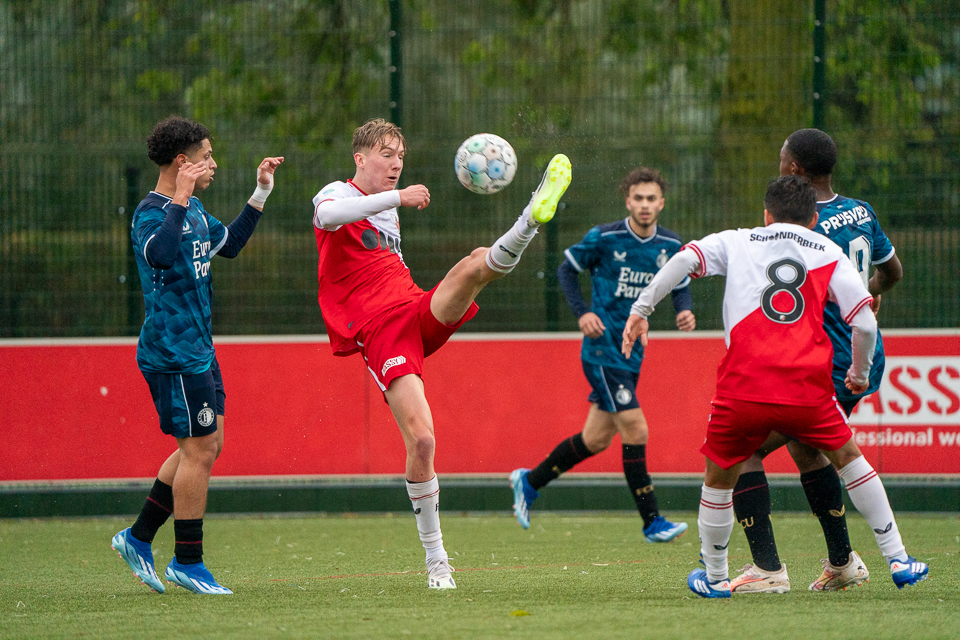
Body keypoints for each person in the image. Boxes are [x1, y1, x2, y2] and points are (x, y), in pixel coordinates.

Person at [621, 175, 928, 599]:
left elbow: (682, 260)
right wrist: (859, 372)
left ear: (766, 214)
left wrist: (642, 309)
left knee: (719, 474)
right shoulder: (828, 251)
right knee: (850, 459)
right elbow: (864, 321)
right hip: (809, 388)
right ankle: (897, 558)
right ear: (814, 218)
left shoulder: (737, 240)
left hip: (743, 388)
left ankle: (714, 579)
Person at [311, 118, 571, 589]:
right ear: (360, 158)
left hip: (412, 309)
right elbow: (328, 217)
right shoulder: (340, 193)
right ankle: (437, 560)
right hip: (380, 333)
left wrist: (396, 201)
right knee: (424, 441)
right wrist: (399, 195)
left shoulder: (386, 210)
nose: (396, 164)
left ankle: (532, 217)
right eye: (387, 154)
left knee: (474, 264)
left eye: (401, 157)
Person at [112, 116, 283, 595]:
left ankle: (137, 537)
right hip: (172, 353)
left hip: (200, 351)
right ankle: (188, 561)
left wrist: (260, 192)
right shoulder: (151, 212)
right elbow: (161, 255)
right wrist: (181, 199)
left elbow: (227, 246)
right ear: (182, 162)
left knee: (205, 446)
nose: (213, 163)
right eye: (205, 155)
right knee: (200, 449)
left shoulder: (195, 210)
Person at [729, 128, 905, 594]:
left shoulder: (799, 226)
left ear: (793, 170)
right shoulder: (860, 211)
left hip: (826, 362)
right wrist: (866, 295)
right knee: (808, 451)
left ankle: (767, 570)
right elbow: (892, 271)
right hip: (861, 354)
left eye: (780, 156)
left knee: (743, 450)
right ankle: (842, 563)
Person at [509, 167, 693, 542]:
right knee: (637, 428)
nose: (644, 205)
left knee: (595, 439)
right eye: (637, 198)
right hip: (601, 350)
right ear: (628, 201)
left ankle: (529, 481)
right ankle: (652, 520)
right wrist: (583, 313)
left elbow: (680, 283)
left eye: (651, 198)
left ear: (662, 203)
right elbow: (566, 270)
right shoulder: (605, 238)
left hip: (631, 353)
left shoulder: (671, 246)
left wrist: (683, 309)